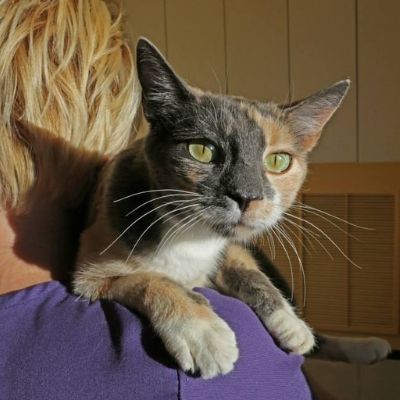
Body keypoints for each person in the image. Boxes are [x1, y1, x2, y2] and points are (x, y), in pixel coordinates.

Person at [0, 1, 312, 398]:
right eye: (203, 151)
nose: (248, 189)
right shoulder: (184, 367)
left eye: (279, 161)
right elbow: (98, 275)